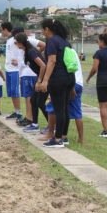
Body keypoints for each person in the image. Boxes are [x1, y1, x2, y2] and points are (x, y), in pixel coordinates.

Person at [40, 19, 76, 148]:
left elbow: (52, 61)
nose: (42, 32)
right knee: (65, 108)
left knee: (59, 109)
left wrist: (45, 80)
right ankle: (64, 137)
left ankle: (58, 139)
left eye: (43, 30)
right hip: (69, 77)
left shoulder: (52, 41)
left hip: (58, 78)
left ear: (47, 29)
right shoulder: (65, 42)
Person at [15, 33, 48, 133]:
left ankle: (52, 127)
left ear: (21, 43)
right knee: (33, 100)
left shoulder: (31, 52)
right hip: (40, 77)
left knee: (40, 103)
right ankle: (34, 124)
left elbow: (43, 66)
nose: (16, 44)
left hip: (46, 78)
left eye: (16, 42)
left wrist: (39, 81)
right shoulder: (28, 51)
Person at [86, 28, 107, 138]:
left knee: (103, 106)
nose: (97, 43)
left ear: (101, 42)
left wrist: (88, 77)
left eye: (98, 41)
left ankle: (106, 131)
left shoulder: (99, 53)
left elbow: (95, 68)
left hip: (102, 82)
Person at [1, 22, 22, 120]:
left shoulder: (16, 39)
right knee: (11, 92)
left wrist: (19, 61)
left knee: (15, 91)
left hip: (15, 70)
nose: (1, 32)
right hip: (8, 69)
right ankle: (16, 111)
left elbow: (23, 50)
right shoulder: (8, 40)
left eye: (2, 30)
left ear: (5, 29)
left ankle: (19, 114)